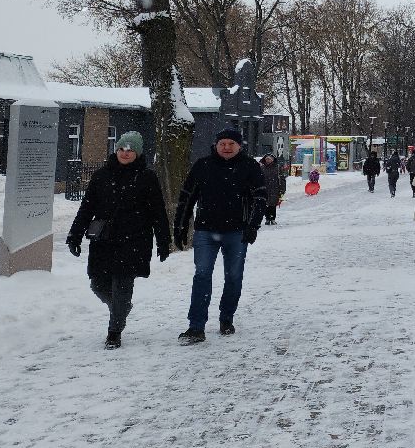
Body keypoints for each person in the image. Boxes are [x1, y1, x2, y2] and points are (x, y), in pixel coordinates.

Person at [65, 132, 171, 349]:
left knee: (122, 285)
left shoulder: (147, 177)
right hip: (104, 239)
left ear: (138, 153)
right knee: (98, 284)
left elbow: (158, 212)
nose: (125, 153)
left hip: (134, 240)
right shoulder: (102, 175)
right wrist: (74, 235)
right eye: (122, 149)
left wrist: (163, 241)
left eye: (130, 150)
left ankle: (114, 332)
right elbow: (87, 208)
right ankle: (120, 308)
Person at [173, 128, 267, 344]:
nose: (226, 147)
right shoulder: (203, 166)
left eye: (231, 144)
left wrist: (252, 225)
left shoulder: (250, 166)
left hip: (237, 232)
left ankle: (226, 317)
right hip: (206, 230)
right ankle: (196, 326)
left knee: (233, 276)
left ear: (239, 146)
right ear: (216, 145)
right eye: (222, 143)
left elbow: (260, 198)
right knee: (202, 275)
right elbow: (187, 197)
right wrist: (180, 227)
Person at [260, 154, 286, 225]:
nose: (268, 160)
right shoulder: (262, 168)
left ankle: (273, 218)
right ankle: (267, 218)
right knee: (266, 205)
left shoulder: (277, 168)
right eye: (266, 159)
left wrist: (282, 189)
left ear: (272, 160)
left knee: (273, 205)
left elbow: (282, 179)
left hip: (275, 189)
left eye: (269, 159)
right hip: (265, 189)